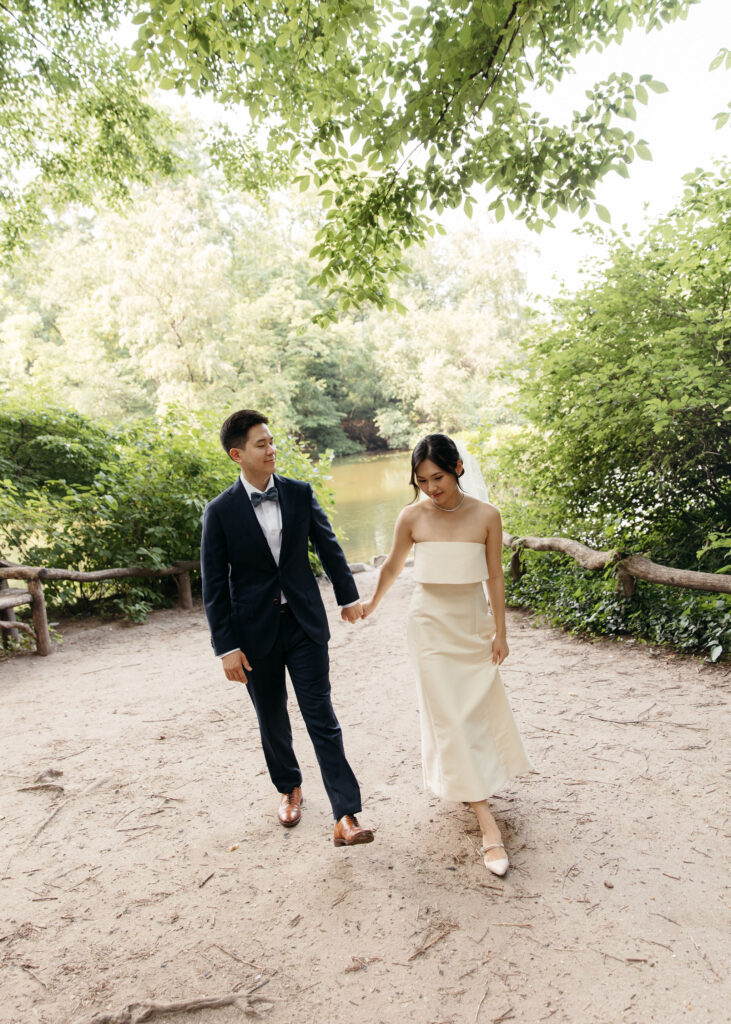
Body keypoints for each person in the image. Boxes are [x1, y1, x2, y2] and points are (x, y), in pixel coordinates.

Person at [200, 409, 374, 848]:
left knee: (322, 717)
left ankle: (346, 815)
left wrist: (347, 596)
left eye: (272, 441)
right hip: (252, 632)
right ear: (238, 454)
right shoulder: (219, 512)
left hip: (304, 625)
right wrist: (226, 647)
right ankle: (289, 788)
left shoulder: (299, 493)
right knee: (272, 717)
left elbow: (328, 546)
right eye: (262, 444)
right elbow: (214, 584)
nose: (272, 449)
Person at [362, 434, 532, 875]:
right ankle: (487, 825)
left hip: (473, 625)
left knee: (473, 713)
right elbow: (393, 566)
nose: (431, 488)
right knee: (450, 719)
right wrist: (371, 604)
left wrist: (501, 631)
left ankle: (471, 781)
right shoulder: (411, 516)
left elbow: (495, 576)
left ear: (457, 467)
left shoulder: (487, 516)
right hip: (430, 629)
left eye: (437, 477)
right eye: (421, 481)